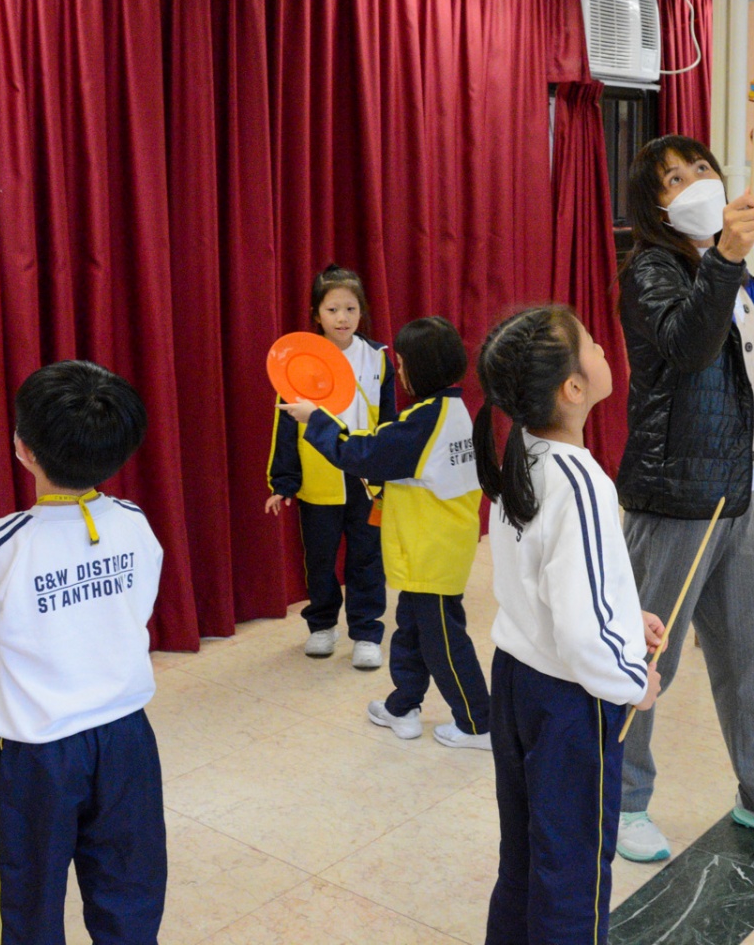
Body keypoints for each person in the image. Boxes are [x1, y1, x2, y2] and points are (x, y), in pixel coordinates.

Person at [613, 135, 754, 864]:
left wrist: (726, 262)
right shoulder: (651, 269)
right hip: (675, 498)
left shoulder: (722, 269)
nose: (694, 183)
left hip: (735, 491)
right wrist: (726, 260)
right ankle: (620, 800)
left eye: (700, 169)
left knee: (747, 661)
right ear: (656, 207)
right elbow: (687, 348)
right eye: (673, 179)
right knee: (645, 665)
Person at [0, 361, 166, 943]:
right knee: (130, 892)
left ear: (22, 449)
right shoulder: (134, 522)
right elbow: (137, 606)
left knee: (29, 900)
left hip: (37, 757)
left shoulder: (2, 542)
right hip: (128, 741)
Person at [474, 305, 661, 944]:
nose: (605, 347)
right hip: (568, 704)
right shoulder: (582, 482)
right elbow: (582, 636)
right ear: (573, 389)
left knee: (526, 860)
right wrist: (633, 679)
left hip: (516, 679)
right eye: (591, 343)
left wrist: (626, 618)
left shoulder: (523, 453)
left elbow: (548, 588)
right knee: (572, 877)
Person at [285, 317, 490, 748]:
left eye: (402, 363)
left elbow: (361, 453)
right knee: (411, 629)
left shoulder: (423, 422)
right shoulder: (450, 409)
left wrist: (315, 419)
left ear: (420, 369)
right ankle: (403, 706)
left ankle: (478, 722)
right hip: (436, 547)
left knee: (443, 640)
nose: (398, 370)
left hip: (431, 551)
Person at [266, 264, 394, 668]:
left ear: (362, 312)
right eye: (333, 309)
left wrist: (390, 470)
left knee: (366, 557)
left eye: (351, 309)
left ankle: (367, 631)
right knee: (319, 558)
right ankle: (322, 624)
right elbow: (286, 424)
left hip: (366, 479)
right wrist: (284, 481)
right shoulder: (298, 361)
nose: (342, 318)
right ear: (316, 314)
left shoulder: (378, 358)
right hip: (318, 479)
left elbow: (389, 419)